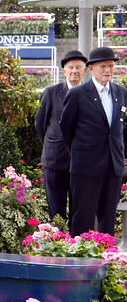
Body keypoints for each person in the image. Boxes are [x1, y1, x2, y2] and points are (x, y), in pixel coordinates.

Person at [59, 46, 127, 236]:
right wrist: (81, 153)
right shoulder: (78, 94)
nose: (108, 70)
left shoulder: (121, 93)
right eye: (103, 66)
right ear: (91, 69)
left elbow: (119, 129)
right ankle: (79, 262)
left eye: (111, 66)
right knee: (83, 218)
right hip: (85, 167)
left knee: (108, 218)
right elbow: (66, 128)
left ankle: (106, 259)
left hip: (113, 166)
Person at [34, 50, 86, 225]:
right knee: (55, 209)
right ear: (64, 71)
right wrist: (52, 143)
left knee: (79, 208)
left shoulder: (89, 94)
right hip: (54, 159)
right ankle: (57, 243)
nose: (74, 71)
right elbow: (40, 124)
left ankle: (76, 243)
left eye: (78, 67)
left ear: (85, 71)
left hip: (81, 161)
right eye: (70, 67)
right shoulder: (51, 92)